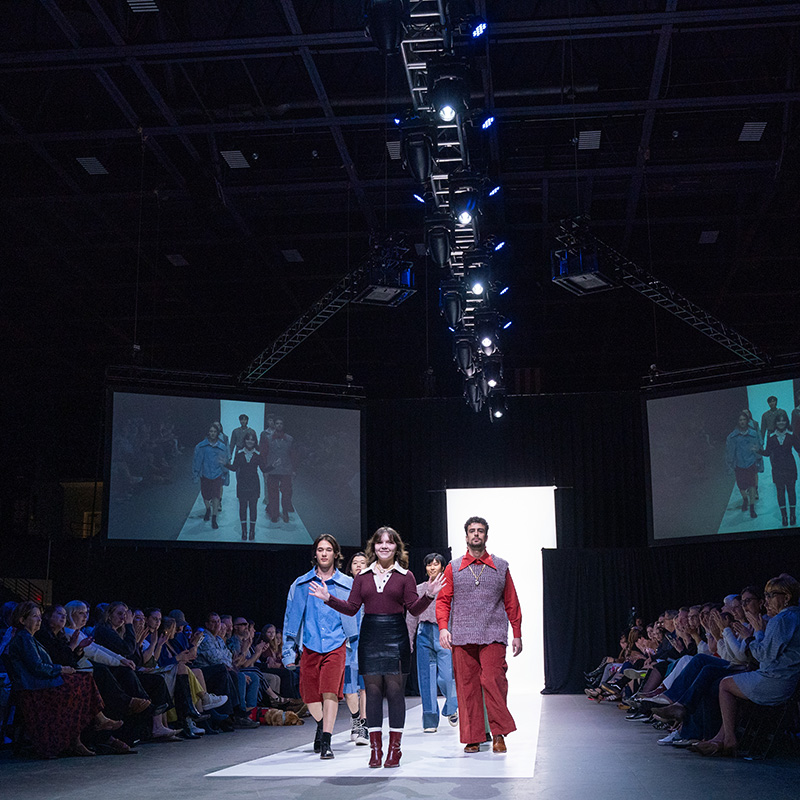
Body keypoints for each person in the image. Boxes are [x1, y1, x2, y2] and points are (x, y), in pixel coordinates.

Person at [311, 526, 444, 768]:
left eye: (390, 542)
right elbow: (352, 608)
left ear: (396, 547)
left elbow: (413, 609)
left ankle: (395, 750)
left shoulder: (406, 576)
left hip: (396, 635)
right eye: (380, 542)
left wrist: (429, 596)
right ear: (374, 547)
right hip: (370, 636)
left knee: (394, 693)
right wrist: (328, 598)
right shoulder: (362, 577)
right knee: (371, 694)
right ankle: (375, 750)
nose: (384, 546)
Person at [437, 516, 522, 754]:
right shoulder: (453, 567)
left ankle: (498, 734)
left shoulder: (501, 566)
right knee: (467, 687)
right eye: (472, 531)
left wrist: (517, 632)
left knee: (494, 681)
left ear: (486, 535)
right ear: (466, 537)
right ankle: (472, 736)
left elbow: (511, 601)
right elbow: (443, 600)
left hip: (493, 633)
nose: (476, 534)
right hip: (462, 635)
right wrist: (443, 627)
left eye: (480, 531)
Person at [690, 574, 800, 756]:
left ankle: (729, 739)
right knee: (728, 682)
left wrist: (753, 635)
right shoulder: (794, 616)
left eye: (771, 595)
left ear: (786, 597)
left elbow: (764, 655)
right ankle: (719, 739)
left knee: (724, 685)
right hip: (787, 681)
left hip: (776, 681)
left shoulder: (782, 619)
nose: (767, 601)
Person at [5, 601, 120, 758]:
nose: (39, 620)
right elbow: (38, 667)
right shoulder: (24, 639)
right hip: (35, 689)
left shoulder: (30, 638)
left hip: (40, 684)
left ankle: (84, 734)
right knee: (83, 682)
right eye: (34, 617)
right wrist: (61, 669)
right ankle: (88, 730)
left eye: (39, 616)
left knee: (83, 681)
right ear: (22, 620)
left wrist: (73, 654)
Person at [283, 534, 359, 760]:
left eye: (328, 549)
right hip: (310, 645)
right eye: (320, 549)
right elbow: (291, 619)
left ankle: (327, 740)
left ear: (336, 553)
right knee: (309, 696)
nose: (324, 553)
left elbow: (357, 615)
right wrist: (288, 650)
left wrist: (356, 647)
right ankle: (321, 725)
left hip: (337, 644)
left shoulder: (347, 584)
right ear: (315, 553)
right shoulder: (301, 584)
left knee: (330, 692)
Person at [407, 552, 458, 732]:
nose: (432, 567)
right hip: (424, 634)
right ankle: (429, 720)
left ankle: (452, 705)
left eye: (436, 564)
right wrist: (409, 641)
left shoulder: (450, 587)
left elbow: (456, 613)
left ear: (443, 567)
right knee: (426, 679)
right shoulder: (420, 588)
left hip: (445, 634)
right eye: (429, 564)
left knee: (446, 676)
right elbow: (412, 615)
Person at [227, 430, 270, 540]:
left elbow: (263, 469)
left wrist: (273, 466)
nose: (250, 441)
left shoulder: (258, 455)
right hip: (241, 484)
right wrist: (225, 463)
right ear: (244, 440)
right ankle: (244, 531)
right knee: (242, 508)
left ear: (255, 441)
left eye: (252, 439)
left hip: (254, 485)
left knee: (253, 508)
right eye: (248, 439)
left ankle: (252, 531)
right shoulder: (239, 453)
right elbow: (234, 467)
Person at [343, 551, 368, 745]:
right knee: (349, 688)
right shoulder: (343, 587)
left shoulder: (372, 587)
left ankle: (364, 725)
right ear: (350, 567)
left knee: (364, 687)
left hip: (367, 642)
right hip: (347, 644)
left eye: (362, 562)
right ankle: (355, 719)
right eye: (355, 562)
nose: (358, 565)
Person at [759, 410, 800, 526]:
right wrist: (757, 450)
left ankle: (793, 515)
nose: (781, 423)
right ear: (775, 423)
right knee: (780, 492)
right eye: (779, 421)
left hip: (790, 467)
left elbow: (798, 449)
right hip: (777, 468)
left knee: (791, 491)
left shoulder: (791, 435)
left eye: (783, 420)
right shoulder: (771, 437)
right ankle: (784, 516)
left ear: (786, 422)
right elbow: (767, 453)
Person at [192, 424, 230, 530]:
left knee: (216, 496)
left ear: (218, 433)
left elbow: (224, 461)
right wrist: (195, 473)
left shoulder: (222, 447)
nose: (213, 433)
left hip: (217, 474)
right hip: (205, 474)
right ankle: (208, 509)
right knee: (205, 496)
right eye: (211, 431)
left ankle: (214, 518)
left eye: (214, 431)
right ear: (208, 432)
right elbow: (197, 460)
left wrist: (225, 472)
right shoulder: (201, 446)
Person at [725, 412, 762, 518]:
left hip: (750, 463)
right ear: (738, 421)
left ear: (747, 421)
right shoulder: (732, 437)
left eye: (744, 420)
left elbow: (757, 447)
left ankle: (752, 507)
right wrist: (730, 464)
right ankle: (745, 499)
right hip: (739, 465)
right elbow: (729, 451)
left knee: (752, 485)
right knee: (741, 486)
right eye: (740, 420)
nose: (742, 422)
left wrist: (759, 460)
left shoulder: (753, 434)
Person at [263, 417, 297, 523]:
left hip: (286, 469)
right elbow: (264, 454)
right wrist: (265, 469)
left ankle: (285, 511)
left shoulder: (289, 439)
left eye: (280, 423)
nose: (278, 425)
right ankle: (274, 514)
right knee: (272, 493)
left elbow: (294, 455)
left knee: (286, 493)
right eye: (277, 423)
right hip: (272, 469)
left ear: (283, 425)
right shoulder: (268, 438)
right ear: (274, 424)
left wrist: (294, 469)